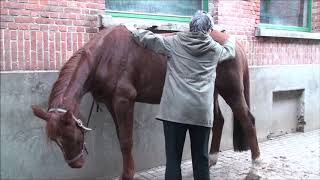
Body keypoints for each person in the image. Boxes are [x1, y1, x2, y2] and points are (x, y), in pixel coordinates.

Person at [126, 11, 235, 180]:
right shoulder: (215, 49)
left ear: (190, 27)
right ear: (208, 30)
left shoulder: (175, 42)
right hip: (201, 113)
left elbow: (148, 40)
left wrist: (132, 29)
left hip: (174, 112)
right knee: (201, 159)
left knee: (173, 161)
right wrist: (226, 34)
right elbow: (230, 51)